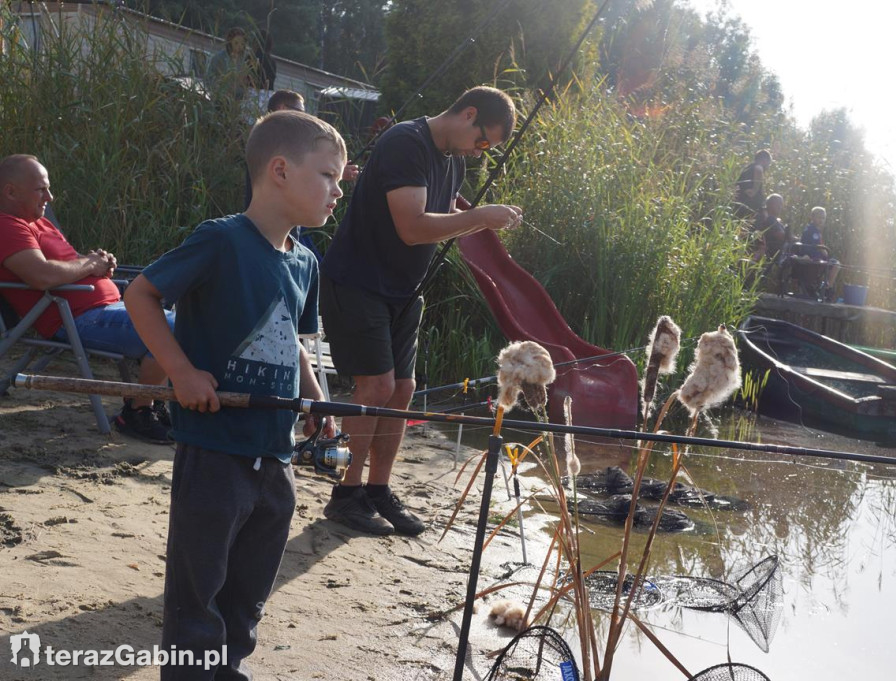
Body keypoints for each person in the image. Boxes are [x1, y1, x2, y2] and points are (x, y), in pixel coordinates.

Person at [123, 110, 344, 680]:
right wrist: (180, 371)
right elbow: (142, 295)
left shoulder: (305, 263)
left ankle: (229, 671)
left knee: (247, 594)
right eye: (327, 176)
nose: (337, 191)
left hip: (277, 454)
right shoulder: (221, 240)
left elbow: (288, 338)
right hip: (214, 452)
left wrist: (315, 398)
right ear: (278, 170)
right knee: (197, 594)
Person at [318, 85, 523, 536]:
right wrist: (479, 217)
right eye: (483, 140)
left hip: (405, 290)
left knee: (403, 388)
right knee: (376, 386)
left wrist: (476, 215)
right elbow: (412, 228)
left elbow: (439, 212)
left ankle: (377, 489)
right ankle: (345, 495)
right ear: (468, 113)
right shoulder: (405, 143)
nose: (480, 152)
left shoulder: (451, 159)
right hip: (358, 281)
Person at [0, 154, 175, 443]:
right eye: (41, 189)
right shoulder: (7, 225)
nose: (50, 196)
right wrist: (90, 265)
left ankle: (153, 404)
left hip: (104, 308)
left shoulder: (39, 223)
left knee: (189, 315)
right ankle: (137, 411)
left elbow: (68, 266)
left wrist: (96, 261)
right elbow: (41, 275)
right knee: (173, 328)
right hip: (75, 317)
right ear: (10, 191)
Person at [243, 90, 359, 210]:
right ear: (282, 108)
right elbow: (299, 171)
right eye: (300, 112)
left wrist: (333, 172)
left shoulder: (274, 138)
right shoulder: (272, 140)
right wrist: (334, 173)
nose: (303, 117)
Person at [797, 206, 841, 296]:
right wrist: (826, 254)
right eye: (819, 217)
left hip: (810, 255)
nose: (821, 220)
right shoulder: (814, 231)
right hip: (814, 257)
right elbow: (819, 247)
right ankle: (827, 286)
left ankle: (823, 286)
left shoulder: (808, 228)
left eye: (823, 218)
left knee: (831, 262)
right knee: (836, 264)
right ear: (812, 217)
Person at [204, 26, 253, 101]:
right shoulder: (219, 58)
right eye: (236, 43)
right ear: (230, 41)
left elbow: (249, 80)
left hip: (239, 99)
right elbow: (209, 78)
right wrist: (219, 88)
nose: (239, 46)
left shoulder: (246, 59)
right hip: (221, 98)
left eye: (242, 44)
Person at [734, 149, 772, 219]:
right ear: (764, 160)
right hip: (750, 209)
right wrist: (755, 189)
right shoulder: (758, 167)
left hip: (739, 207)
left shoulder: (748, 168)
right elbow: (759, 169)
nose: (768, 166)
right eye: (768, 163)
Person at [751, 193, 787, 262]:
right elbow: (782, 236)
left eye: (781, 204)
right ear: (769, 204)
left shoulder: (774, 219)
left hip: (776, 253)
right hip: (769, 254)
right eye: (778, 204)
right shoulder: (764, 217)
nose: (780, 207)